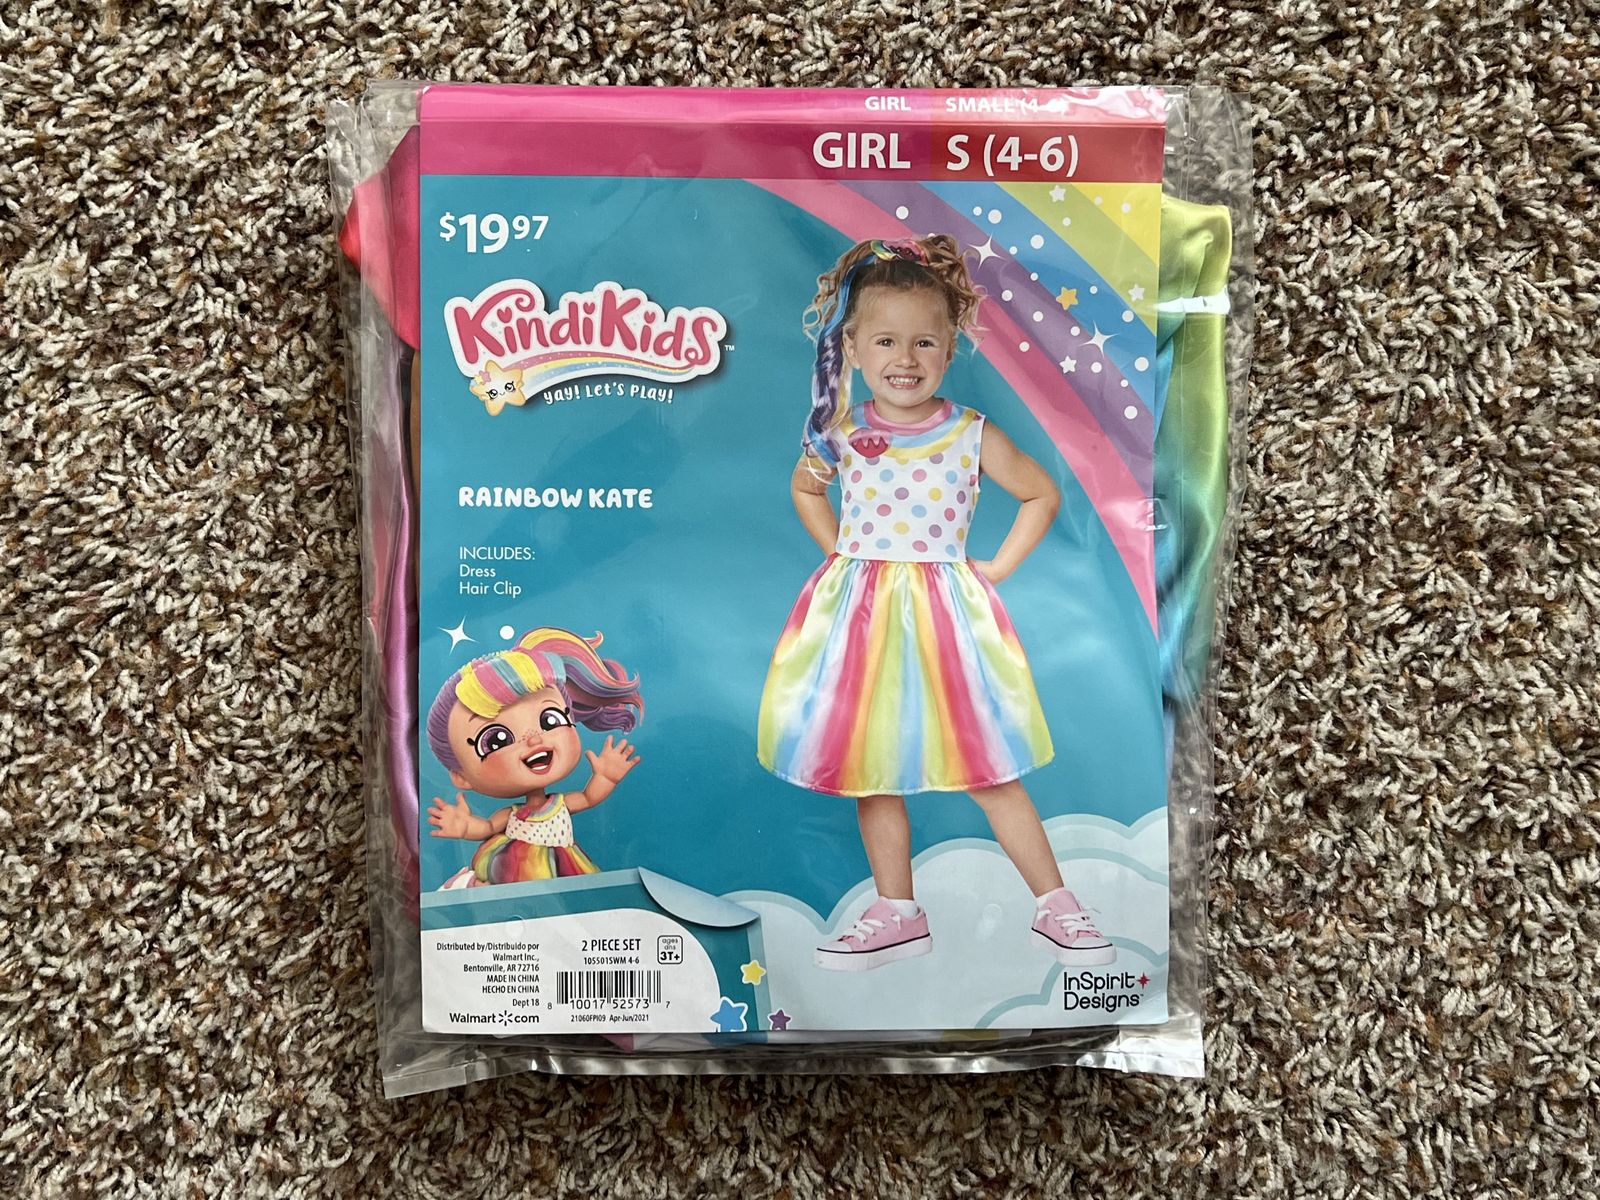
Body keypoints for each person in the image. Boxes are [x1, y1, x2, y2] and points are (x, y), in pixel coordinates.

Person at [757, 236, 1115, 971]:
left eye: (925, 341)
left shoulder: (969, 433)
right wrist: (843, 551)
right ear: (853, 348)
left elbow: (1040, 494)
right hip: (861, 621)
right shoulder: (843, 433)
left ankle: (1056, 904)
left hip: (945, 620)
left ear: (950, 350)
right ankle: (897, 911)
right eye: (886, 340)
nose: (906, 357)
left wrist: (996, 568)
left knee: (988, 765)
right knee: (871, 768)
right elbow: (804, 487)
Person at [426, 627, 642, 885]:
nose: (534, 740)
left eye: (550, 719)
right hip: (511, 866)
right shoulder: (511, 814)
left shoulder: (560, 804)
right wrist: (464, 827)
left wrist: (605, 777)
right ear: (461, 776)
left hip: (561, 867)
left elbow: (588, 797)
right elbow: (488, 828)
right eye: (496, 740)